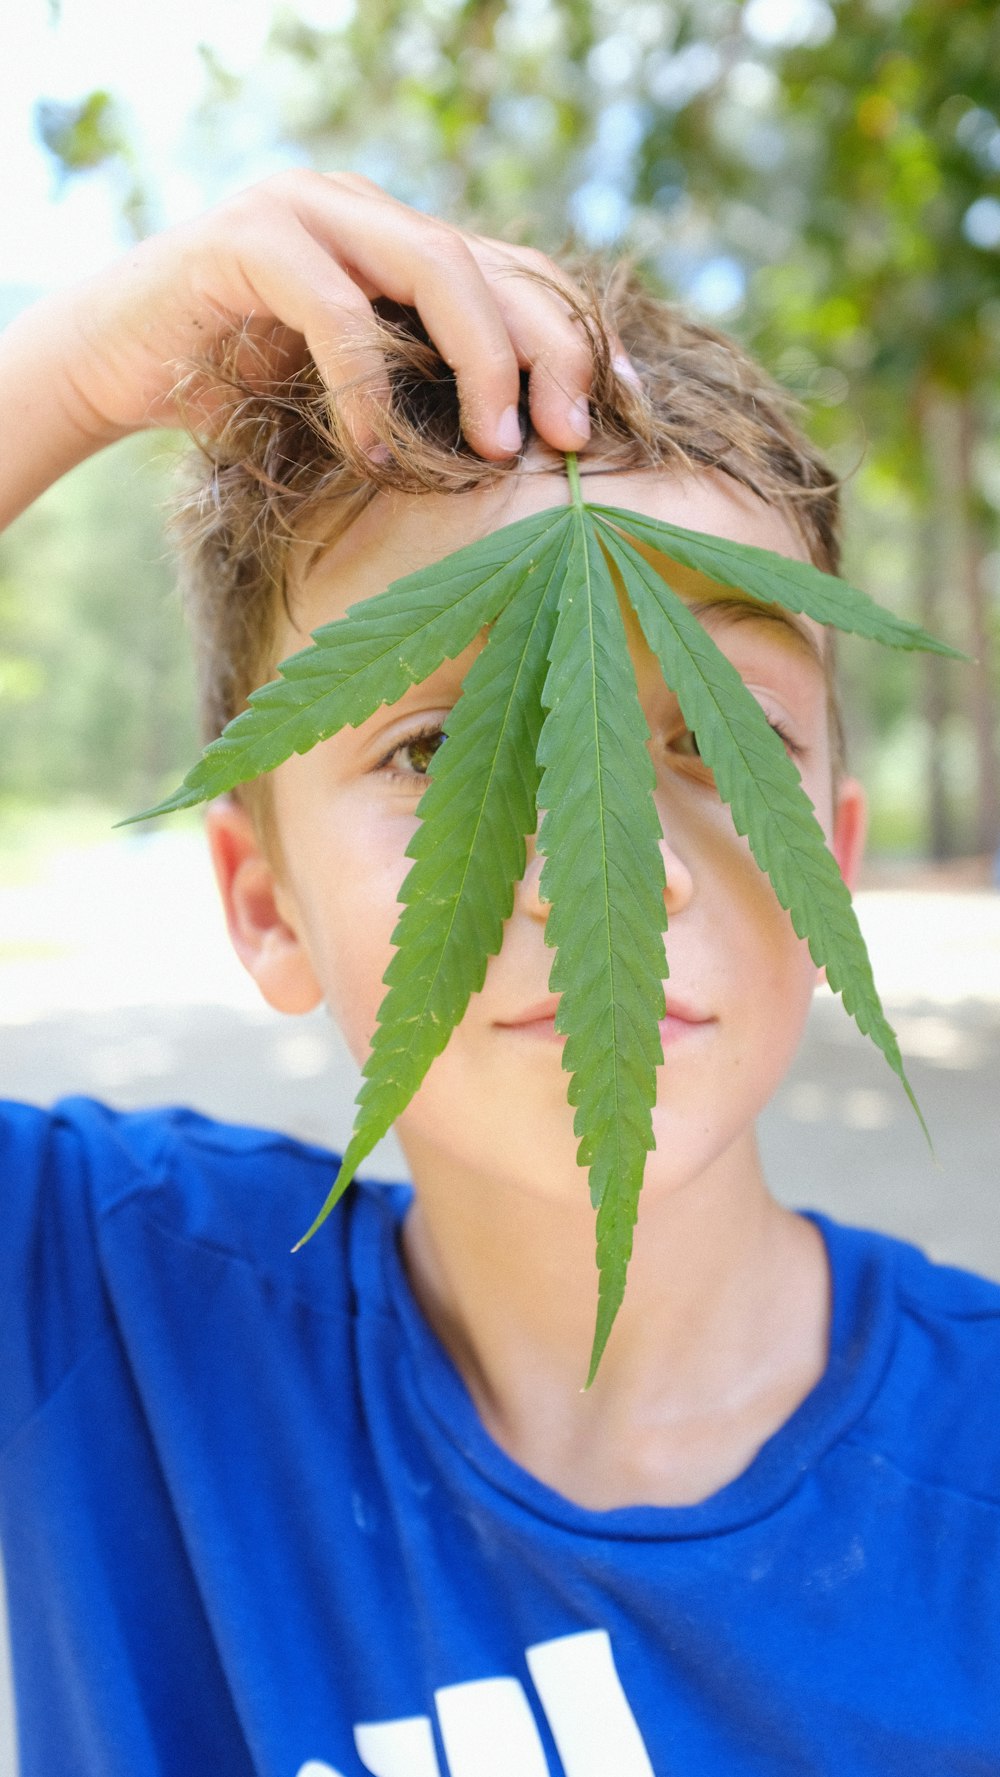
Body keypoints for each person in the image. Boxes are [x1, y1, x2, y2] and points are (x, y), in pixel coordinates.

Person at [1, 171, 998, 1777]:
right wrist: (71, 373)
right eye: (445, 745)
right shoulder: (106, 1322)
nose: (615, 869)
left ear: (836, 864)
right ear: (263, 900)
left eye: (713, 739)